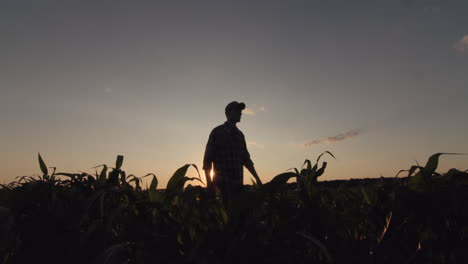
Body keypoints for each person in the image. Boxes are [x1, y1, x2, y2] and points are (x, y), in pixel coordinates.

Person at [203, 101, 262, 202]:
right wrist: (210, 186)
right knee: (223, 215)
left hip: (238, 186)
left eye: (240, 111)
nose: (240, 113)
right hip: (221, 188)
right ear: (228, 113)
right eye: (237, 110)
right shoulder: (217, 132)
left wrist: (257, 179)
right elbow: (207, 161)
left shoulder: (240, 135)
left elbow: (246, 160)